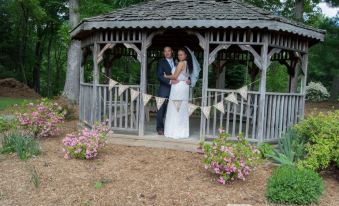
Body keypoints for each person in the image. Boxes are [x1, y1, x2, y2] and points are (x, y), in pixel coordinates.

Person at [163, 47, 194, 139]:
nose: (179, 56)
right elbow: (186, 77)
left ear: (185, 55)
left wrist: (166, 76)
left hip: (178, 88)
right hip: (184, 87)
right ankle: (182, 132)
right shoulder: (188, 64)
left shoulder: (181, 63)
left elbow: (175, 76)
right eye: (178, 54)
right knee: (182, 109)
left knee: (175, 108)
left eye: (181, 54)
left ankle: (174, 132)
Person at [155, 47, 179, 135]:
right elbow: (159, 76)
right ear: (163, 53)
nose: (167, 53)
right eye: (165, 51)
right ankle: (160, 128)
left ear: (172, 51)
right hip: (164, 89)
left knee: (173, 109)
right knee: (161, 109)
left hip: (176, 90)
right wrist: (170, 81)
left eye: (168, 51)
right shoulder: (161, 62)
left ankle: (171, 128)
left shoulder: (177, 62)